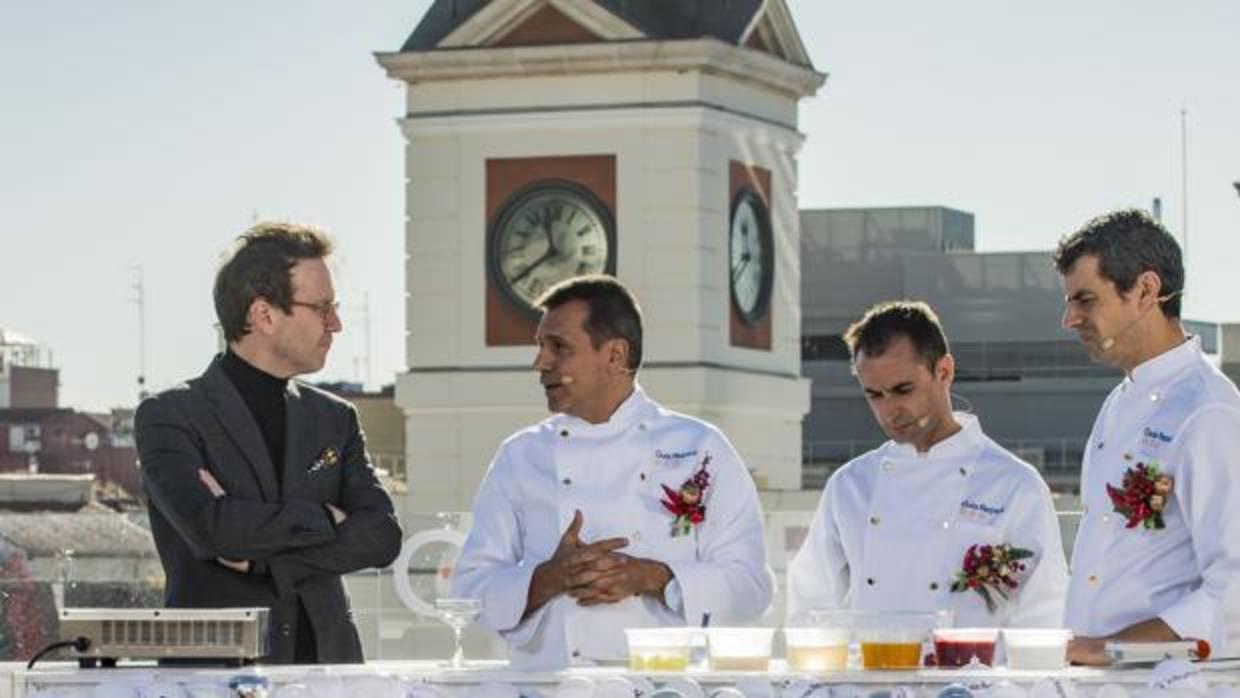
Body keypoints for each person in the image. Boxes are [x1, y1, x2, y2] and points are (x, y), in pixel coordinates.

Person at [451, 275, 772, 670]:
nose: (540, 362)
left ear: (615, 356)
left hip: (665, 689)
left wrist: (652, 577)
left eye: (559, 347)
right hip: (550, 689)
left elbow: (752, 590)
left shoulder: (700, 449)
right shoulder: (520, 456)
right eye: (540, 346)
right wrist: (549, 578)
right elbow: (468, 591)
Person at [135, 222, 402, 664]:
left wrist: (262, 561)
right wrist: (326, 518)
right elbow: (213, 530)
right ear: (263, 315)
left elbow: (381, 536)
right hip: (214, 681)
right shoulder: (169, 415)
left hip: (328, 678)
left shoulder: (335, 418)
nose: (336, 323)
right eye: (322, 308)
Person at [787, 301, 1068, 629]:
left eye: (903, 390)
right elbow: (810, 602)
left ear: (944, 371)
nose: (890, 410)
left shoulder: (1014, 485)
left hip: (975, 676)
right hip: (869, 675)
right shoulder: (849, 485)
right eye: (874, 395)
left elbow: (1044, 612)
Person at [1057, 209, 1240, 665]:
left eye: (1085, 299)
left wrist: (1111, 648)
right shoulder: (1118, 402)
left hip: (1173, 683)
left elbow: (1236, 589)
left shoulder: (1209, 411)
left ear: (1145, 290)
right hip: (1106, 681)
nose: (1070, 319)